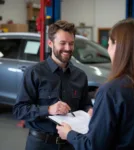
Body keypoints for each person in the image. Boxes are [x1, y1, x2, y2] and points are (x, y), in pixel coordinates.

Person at [56, 18, 134, 150]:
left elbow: (94, 146)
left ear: (117, 46)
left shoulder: (111, 91)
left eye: (109, 44)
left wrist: (69, 134)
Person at [13, 20, 93, 150]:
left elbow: (85, 104)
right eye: (62, 43)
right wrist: (48, 110)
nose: (68, 48)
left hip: (71, 144)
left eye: (71, 44)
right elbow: (19, 111)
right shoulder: (34, 73)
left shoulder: (80, 76)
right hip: (41, 144)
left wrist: (90, 110)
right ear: (50, 43)